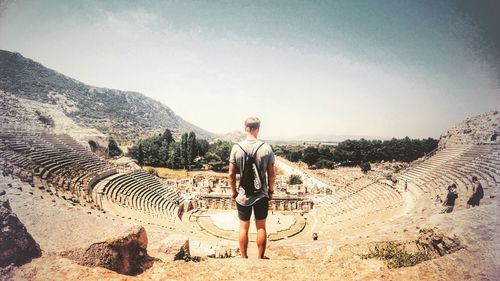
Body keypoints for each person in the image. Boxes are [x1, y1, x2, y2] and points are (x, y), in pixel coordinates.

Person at [228, 117, 276, 259]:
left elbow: (231, 174)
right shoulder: (266, 148)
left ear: (245, 128)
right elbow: (272, 175)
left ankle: (244, 257)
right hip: (261, 195)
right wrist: (270, 191)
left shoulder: (236, 148)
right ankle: (260, 257)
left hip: (243, 195)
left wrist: (234, 192)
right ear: (258, 128)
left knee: (243, 227)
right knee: (261, 227)